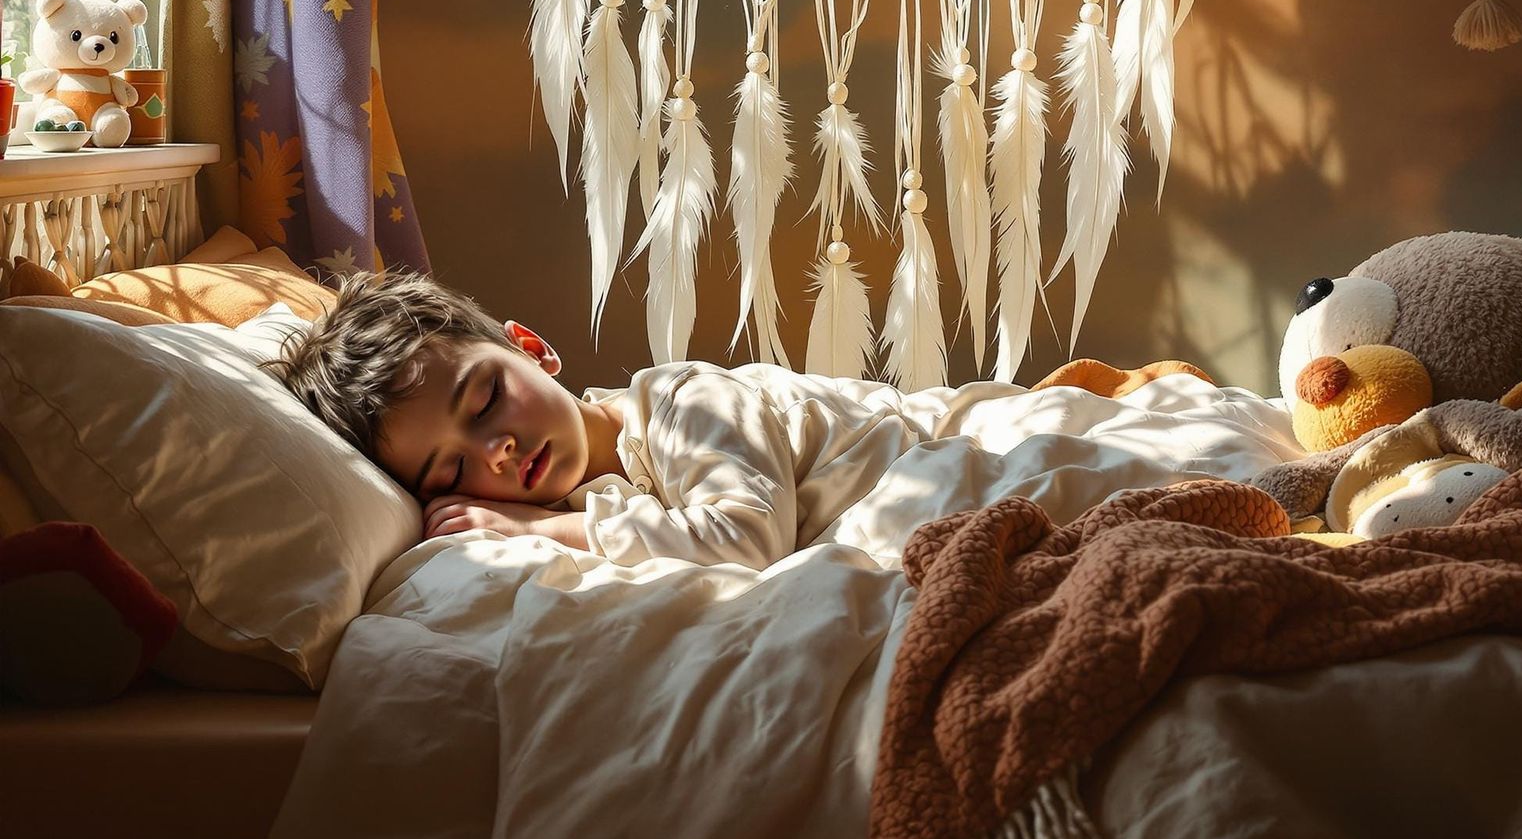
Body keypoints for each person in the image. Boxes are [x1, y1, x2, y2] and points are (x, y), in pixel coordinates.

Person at [265, 270, 1300, 572]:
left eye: (485, 399)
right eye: (450, 474)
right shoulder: (604, 484)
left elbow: (740, 538)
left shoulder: (684, 404)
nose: (494, 453)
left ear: (530, 349)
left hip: (961, 451)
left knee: (1178, 474)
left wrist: (548, 529)